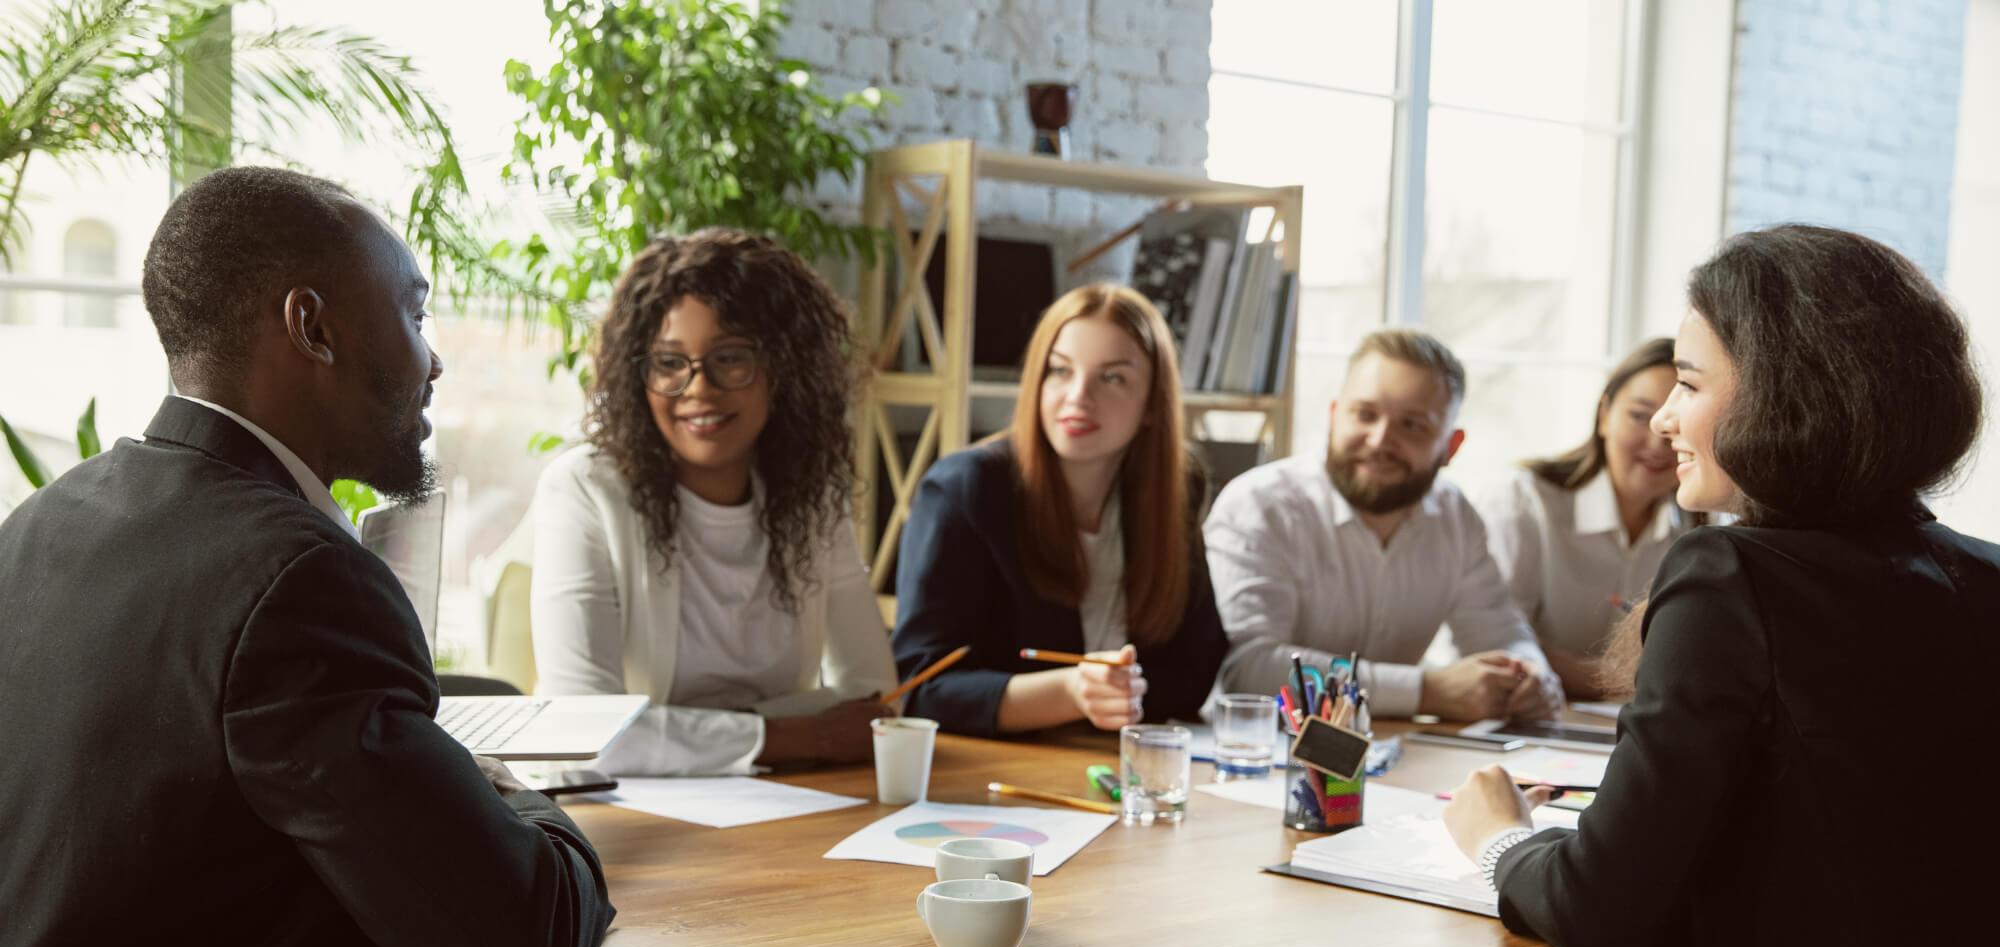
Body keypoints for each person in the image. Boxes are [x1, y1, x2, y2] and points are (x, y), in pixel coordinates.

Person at [0, 167, 614, 947]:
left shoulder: (41, 522)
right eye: (414, 315)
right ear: (312, 327)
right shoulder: (301, 584)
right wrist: (511, 794)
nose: (432, 359)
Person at [1443, 225, 2000, 947]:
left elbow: (1599, 909)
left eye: (1690, 384)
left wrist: (1499, 840)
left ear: (1788, 397)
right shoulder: (1985, 576)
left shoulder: (1726, 575)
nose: (1665, 418)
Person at [531, 229, 896, 775]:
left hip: (778, 805)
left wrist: (689, 733)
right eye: (669, 363)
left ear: (782, 368)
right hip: (621, 817)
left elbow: (873, 699)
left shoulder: (809, 493)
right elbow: (584, 729)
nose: (699, 388)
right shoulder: (584, 489)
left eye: (731, 358)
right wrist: (799, 735)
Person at [892, 283, 1227, 735]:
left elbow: (1193, 670)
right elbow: (918, 690)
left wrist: (1121, 694)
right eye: (1060, 371)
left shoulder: (1174, 488)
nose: (1078, 396)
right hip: (993, 775)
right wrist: (1071, 693)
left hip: (1114, 766)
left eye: (1112, 378)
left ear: (1152, 405)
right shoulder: (963, 490)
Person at [1205, 328, 1564, 721]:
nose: (1379, 440)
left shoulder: (1455, 516)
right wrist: (1426, 692)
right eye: (1364, 414)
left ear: (1451, 446)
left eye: (1412, 425)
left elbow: (1500, 633)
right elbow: (1250, 670)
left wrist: (1532, 675)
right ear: (1333, 414)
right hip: (1255, 758)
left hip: (1393, 757)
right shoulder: (1260, 506)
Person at [1475, 338, 1695, 699]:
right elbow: (1494, 640)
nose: (1658, 442)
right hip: (1511, 713)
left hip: (1619, 726)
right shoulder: (1524, 501)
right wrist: (1617, 681)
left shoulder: (1698, 529)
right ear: (1604, 415)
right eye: (1640, 416)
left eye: (1679, 423)